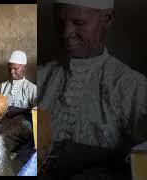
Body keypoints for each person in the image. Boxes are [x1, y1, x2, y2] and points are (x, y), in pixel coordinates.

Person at [38, 0, 147, 179]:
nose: (66, 33)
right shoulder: (42, 77)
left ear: (108, 18)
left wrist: (100, 157)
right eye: (59, 22)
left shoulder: (131, 85)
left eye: (78, 23)